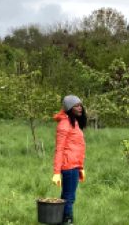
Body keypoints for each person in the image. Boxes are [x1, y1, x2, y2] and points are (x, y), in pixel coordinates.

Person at [51, 95, 87, 225]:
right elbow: (59, 150)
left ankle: (60, 220)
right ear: (69, 108)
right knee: (69, 197)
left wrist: (80, 167)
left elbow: (76, 148)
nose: (80, 108)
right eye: (76, 105)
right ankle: (67, 221)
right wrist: (56, 172)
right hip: (69, 166)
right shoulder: (64, 125)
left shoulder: (73, 122)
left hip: (74, 165)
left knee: (67, 196)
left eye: (80, 105)